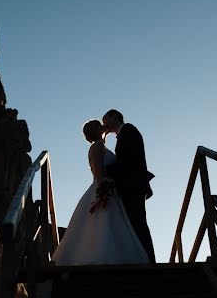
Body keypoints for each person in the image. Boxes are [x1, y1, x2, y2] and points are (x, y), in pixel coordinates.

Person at [51, 120, 149, 265]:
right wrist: (103, 187)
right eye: (100, 124)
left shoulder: (102, 146)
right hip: (104, 189)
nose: (104, 126)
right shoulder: (97, 147)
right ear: (97, 130)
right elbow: (98, 170)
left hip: (111, 190)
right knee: (102, 224)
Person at [102, 109, 156, 263]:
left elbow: (129, 162)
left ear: (115, 116)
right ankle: (141, 258)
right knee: (134, 222)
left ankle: (148, 260)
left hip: (133, 185)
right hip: (131, 184)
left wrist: (107, 171)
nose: (105, 125)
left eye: (106, 121)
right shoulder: (124, 134)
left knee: (138, 222)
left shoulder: (129, 131)